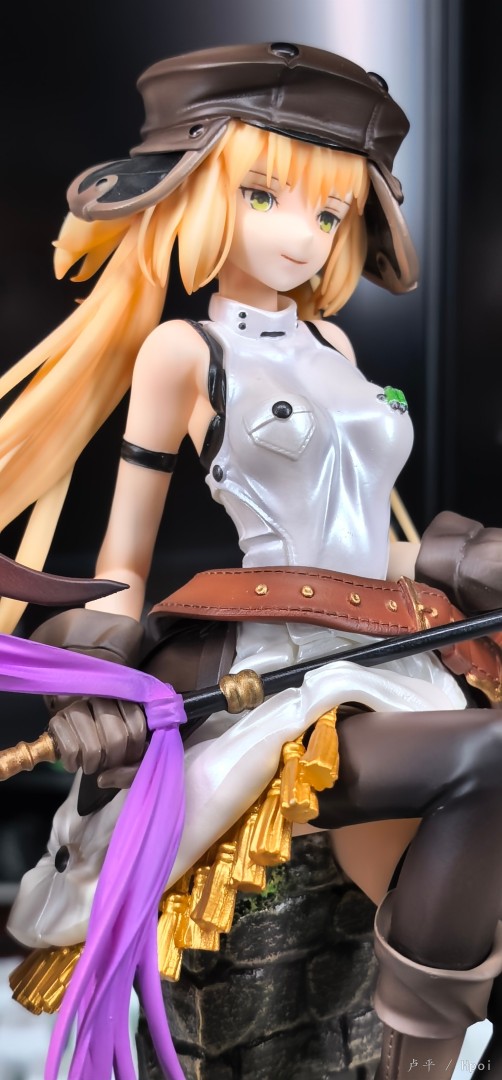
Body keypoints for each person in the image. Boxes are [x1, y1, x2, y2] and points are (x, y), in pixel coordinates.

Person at [4, 41, 502, 1080]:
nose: (300, 234)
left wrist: (461, 562)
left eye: (329, 212)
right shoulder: (187, 353)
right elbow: (124, 555)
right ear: (197, 193)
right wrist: (96, 676)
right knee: (489, 754)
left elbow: (365, 537)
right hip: (283, 683)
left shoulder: (337, 350)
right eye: (266, 195)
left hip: (396, 655)